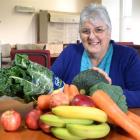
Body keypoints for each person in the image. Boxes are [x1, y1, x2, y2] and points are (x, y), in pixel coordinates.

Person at [51, 3, 140, 108]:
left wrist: (107, 93)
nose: (92, 36)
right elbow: (49, 82)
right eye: (85, 31)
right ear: (80, 34)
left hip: (114, 121)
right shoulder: (70, 52)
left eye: (98, 30)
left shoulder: (128, 57)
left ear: (109, 32)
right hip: (73, 119)